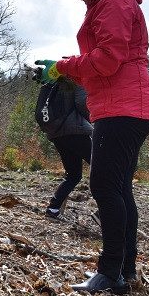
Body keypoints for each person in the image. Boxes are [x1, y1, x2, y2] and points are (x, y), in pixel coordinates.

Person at [37, 0, 149, 295]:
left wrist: (61, 66)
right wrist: (60, 72)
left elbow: (108, 59)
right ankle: (125, 270)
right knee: (118, 188)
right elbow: (103, 66)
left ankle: (110, 273)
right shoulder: (105, 4)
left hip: (125, 108)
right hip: (122, 105)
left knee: (105, 186)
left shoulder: (114, 4)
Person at [36, 76, 93, 220]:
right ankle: (106, 212)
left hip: (57, 134)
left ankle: (53, 209)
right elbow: (81, 102)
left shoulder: (52, 83)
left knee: (73, 174)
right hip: (76, 131)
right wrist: (95, 119)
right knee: (104, 166)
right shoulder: (77, 79)